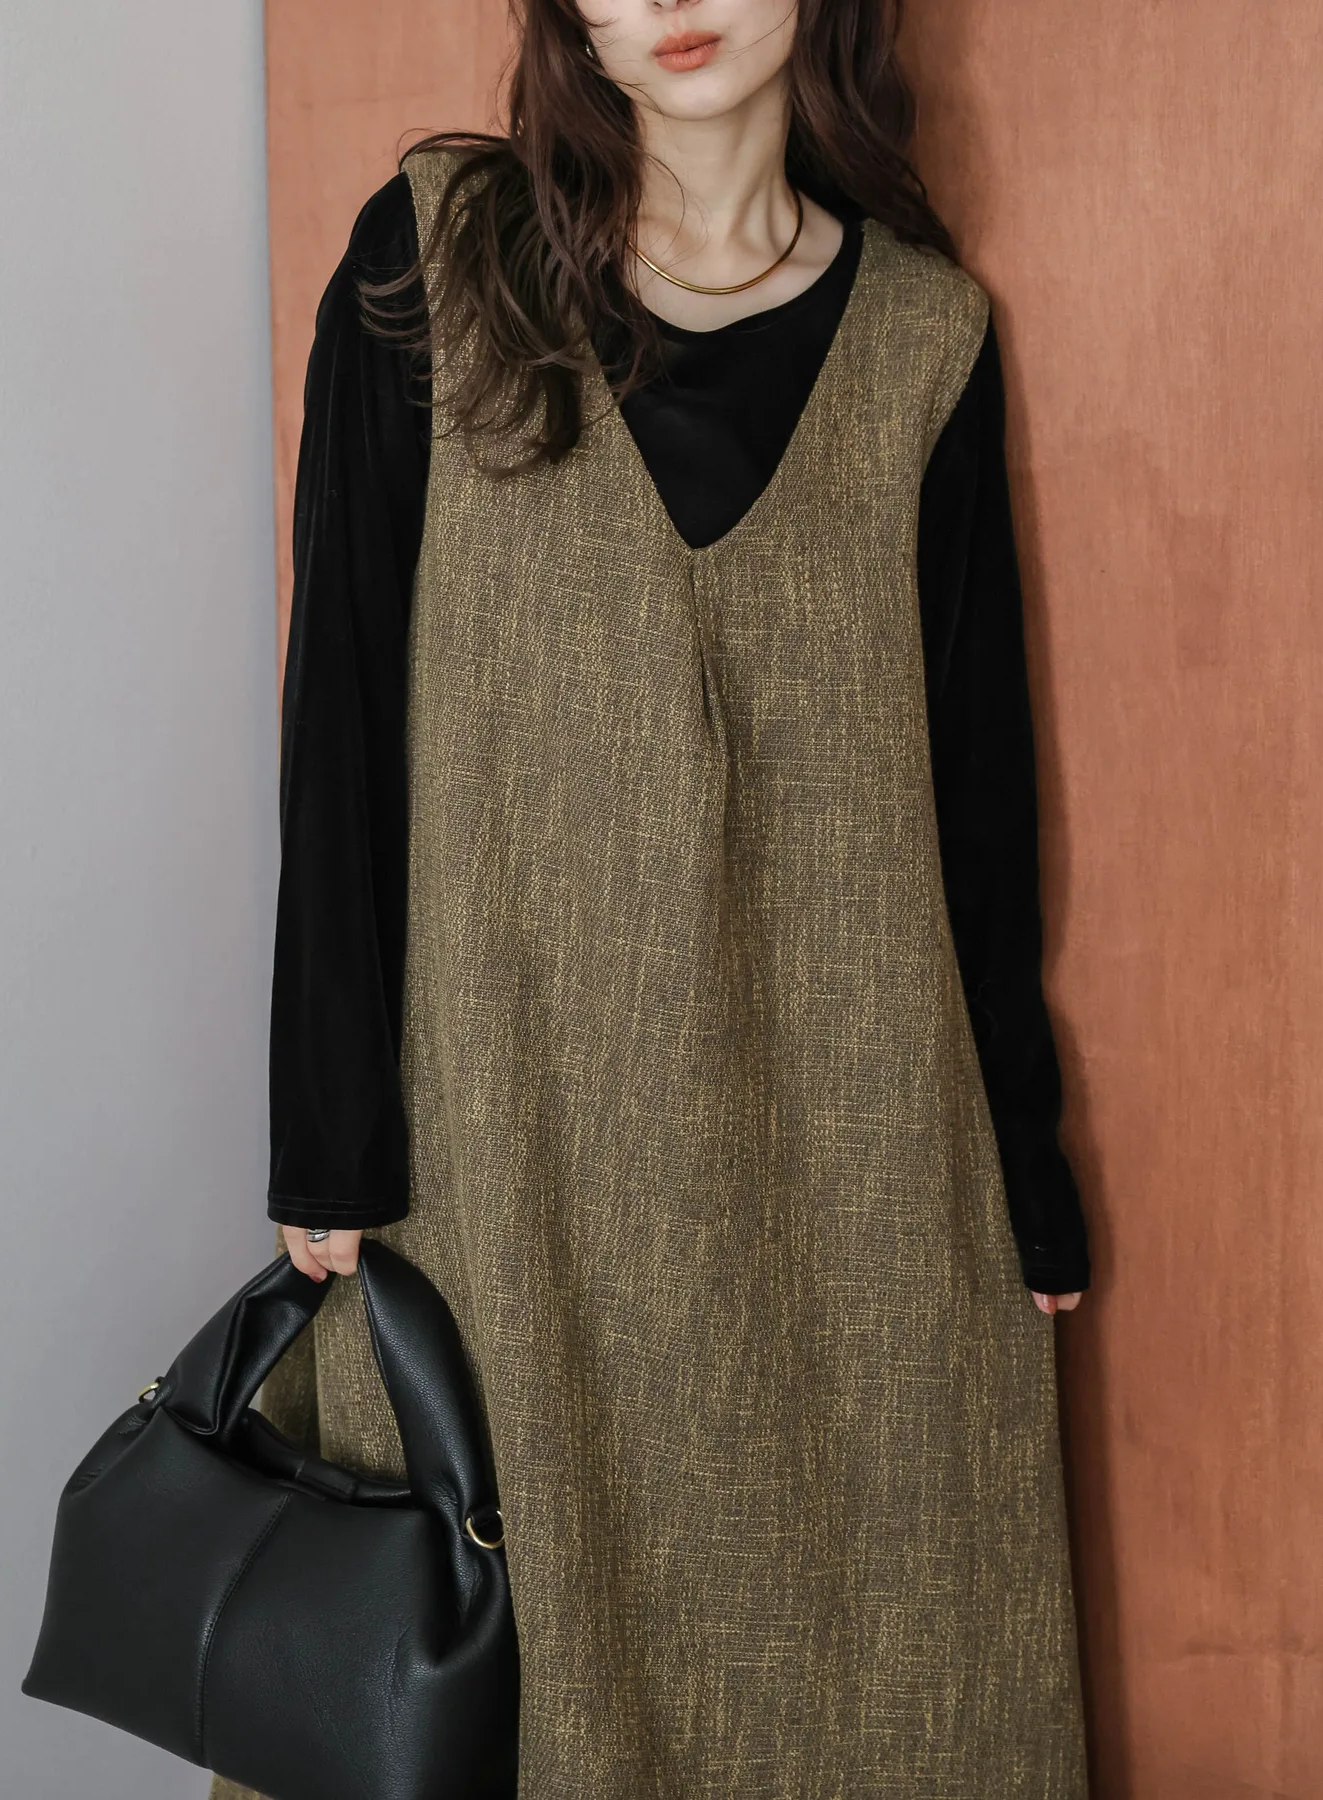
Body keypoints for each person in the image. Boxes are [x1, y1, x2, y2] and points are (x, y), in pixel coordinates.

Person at [215, 0, 1092, 1794]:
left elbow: (977, 797)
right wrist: (328, 1142)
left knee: (891, 1676)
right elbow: (340, 710)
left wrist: (1025, 1173)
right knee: (520, 1670)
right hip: (505, 1140)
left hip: (847, 1166)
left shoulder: (923, 338)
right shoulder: (433, 258)